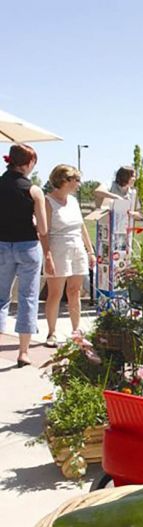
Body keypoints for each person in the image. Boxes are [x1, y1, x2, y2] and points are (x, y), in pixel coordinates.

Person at [0, 143, 53, 367]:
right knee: (27, 298)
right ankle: (23, 352)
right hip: (28, 247)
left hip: (2, 245)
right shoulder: (34, 191)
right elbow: (42, 228)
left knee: (1, 297)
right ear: (29, 163)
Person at [44, 165, 96, 346]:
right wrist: (47, 255)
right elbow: (44, 231)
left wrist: (90, 250)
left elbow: (81, 226)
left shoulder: (73, 201)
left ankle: (76, 331)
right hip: (58, 248)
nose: (79, 184)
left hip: (77, 247)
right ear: (65, 180)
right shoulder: (48, 201)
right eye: (77, 180)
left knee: (75, 291)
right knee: (55, 292)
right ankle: (51, 333)